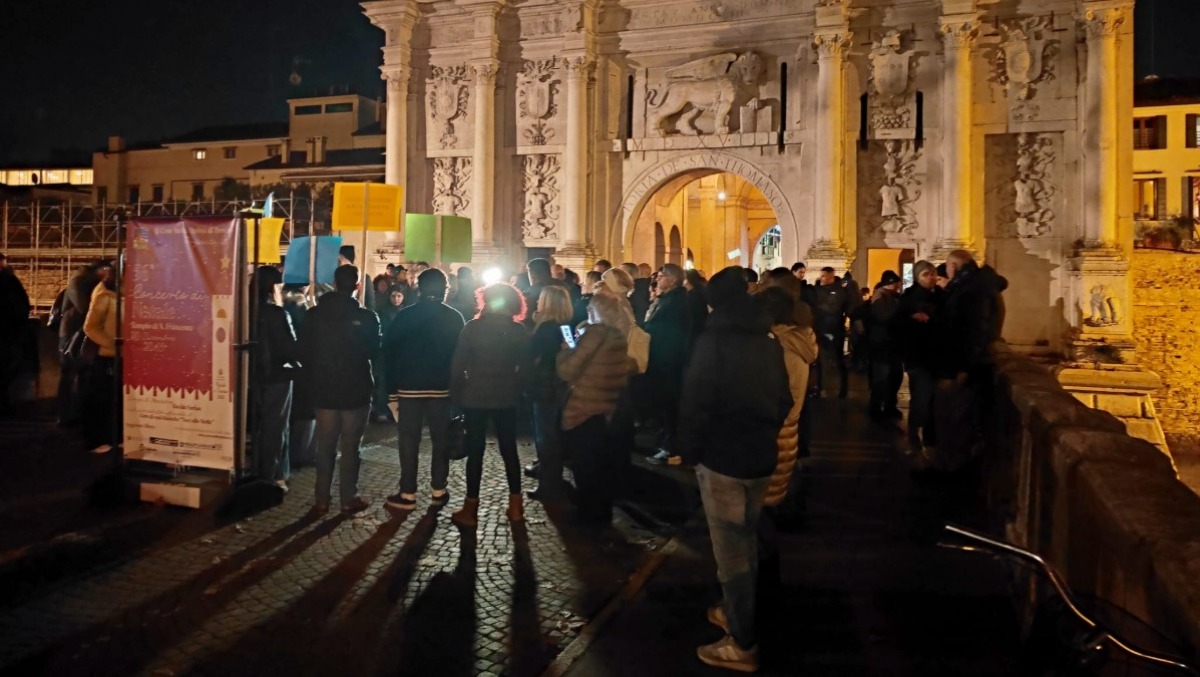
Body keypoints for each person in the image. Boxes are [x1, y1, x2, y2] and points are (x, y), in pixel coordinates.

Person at [679, 267, 792, 673]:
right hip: (760, 455)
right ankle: (737, 612)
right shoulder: (768, 340)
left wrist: (690, 451)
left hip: (723, 458)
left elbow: (696, 402)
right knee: (747, 541)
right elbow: (784, 399)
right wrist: (765, 432)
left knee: (731, 554)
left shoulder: (713, 342)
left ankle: (742, 642)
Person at [299, 264, 381, 516]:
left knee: (325, 446)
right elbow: (374, 351)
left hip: (323, 388)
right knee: (351, 447)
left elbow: (304, 349)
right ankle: (348, 497)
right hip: (355, 389)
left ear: (334, 284)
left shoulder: (314, 315)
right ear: (357, 286)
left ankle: (321, 499)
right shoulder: (367, 317)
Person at [382, 268, 466, 511]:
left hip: (409, 389)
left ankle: (408, 492)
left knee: (408, 442)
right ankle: (439, 489)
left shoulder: (405, 316)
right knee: (441, 440)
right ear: (444, 289)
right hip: (442, 390)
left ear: (419, 287)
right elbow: (461, 356)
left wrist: (391, 391)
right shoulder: (454, 317)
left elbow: (389, 353)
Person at [448, 283, 530, 528]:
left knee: (475, 451)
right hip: (507, 396)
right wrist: (517, 388)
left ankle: (471, 507)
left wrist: (457, 394)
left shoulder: (473, 328)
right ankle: (516, 505)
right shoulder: (518, 331)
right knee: (509, 450)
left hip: (475, 395)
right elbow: (525, 367)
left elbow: (458, 364)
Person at [753, 285, 817, 584]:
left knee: (762, 509)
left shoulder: (776, 345)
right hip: (790, 425)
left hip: (773, 428)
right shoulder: (800, 340)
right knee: (777, 494)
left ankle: (764, 586)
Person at [558, 291, 636, 524]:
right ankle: (602, 514)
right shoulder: (618, 335)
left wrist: (566, 350)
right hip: (606, 406)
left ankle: (589, 517)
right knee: (600, 465)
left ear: (594, 310)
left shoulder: (595, 333)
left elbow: (567, 371)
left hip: (584, 407)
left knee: (585, 467)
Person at [933, 250, 1008, 472]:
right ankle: (950, 467)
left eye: (948, 265)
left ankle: (951, 471)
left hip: (964, 366)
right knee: (956, 419)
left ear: (954, 266)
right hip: (966, 363)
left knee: (955, 419)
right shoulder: (978, 284)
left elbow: (974, 330)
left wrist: (964, 368)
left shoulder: (973, 288)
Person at [251, 266, 300, 491]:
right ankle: (272, 475)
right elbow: (290, 349)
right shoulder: (278, 314)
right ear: (273, 288)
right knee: (276, 426)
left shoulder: (245, 311)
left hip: (251, 377)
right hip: (277, 376)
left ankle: (270, 472)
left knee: (261, 426)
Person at [526, 286, 573, 500]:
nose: (537, 302)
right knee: (554, 434)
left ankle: (548, 484)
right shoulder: (565, 327)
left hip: (544, 386)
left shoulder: (545, 329)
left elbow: (531, 355)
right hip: (561, 386)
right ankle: (553, 477)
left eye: (541, 299)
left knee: (546, 437)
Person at [643, 262, 692, 465]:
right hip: (664, 361)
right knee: (666, 406)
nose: (657, 279)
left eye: (661, 276)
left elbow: (669, 334)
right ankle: (666, 442)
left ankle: (671, 448)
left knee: (671, 406)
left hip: (669, 363)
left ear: (672, 280)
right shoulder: (668, 299)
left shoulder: (676, 302)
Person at [897, 260, 942, 461]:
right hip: (917, 357)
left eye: (932, 273)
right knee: (921, 399)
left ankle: (930, 441)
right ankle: (915, 438)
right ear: (917, 277)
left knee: (933, 401)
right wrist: (912, 319)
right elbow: (897, 324)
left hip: (936, 357)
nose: (931, 277)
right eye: (926, 274)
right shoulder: (908, 298)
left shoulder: (941, 296)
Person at [79, 269, 117, 453]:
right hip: (104, 355)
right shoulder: (105, 294)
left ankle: (114, 436)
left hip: (119, 354)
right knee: (101, 398)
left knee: (115, 398)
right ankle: (96, 440)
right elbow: (90, 327)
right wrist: (111, 344)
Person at [865, 270, 904, 419]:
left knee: (895, 376)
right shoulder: (880, 297)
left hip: (892, 343)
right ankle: (876, 408)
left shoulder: (893, 296)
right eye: (897, 283)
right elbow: (883, 316)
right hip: (882, 343)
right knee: (882, 377)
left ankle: (889, 406)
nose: (899, 286)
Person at [810, 266, 853, 399]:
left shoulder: (841, 291)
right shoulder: (816, 290)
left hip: (835, 329)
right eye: (823, 276)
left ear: (832, 277)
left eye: (827, 276)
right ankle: (821, 388)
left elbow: (846, 307)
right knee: (821, 360)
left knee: (837, 360)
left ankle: (841, 389)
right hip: (821, 329)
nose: (824, 279)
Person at [523, 258, 566, 326]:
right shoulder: (563, 286)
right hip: (564, 324)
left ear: (532, 274)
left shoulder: (530, 292)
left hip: (538, 326)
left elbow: (527, 315)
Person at [337, 245, 375, 310]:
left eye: (340, 260)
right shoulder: (337, 276)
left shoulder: (365, 279)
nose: (338, 263)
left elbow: (370, 305)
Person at [684, 269, 709, 344]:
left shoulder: (693, 295)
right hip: (702, 331)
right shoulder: (700, 291)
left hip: (695, 332)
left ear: (687, 280)